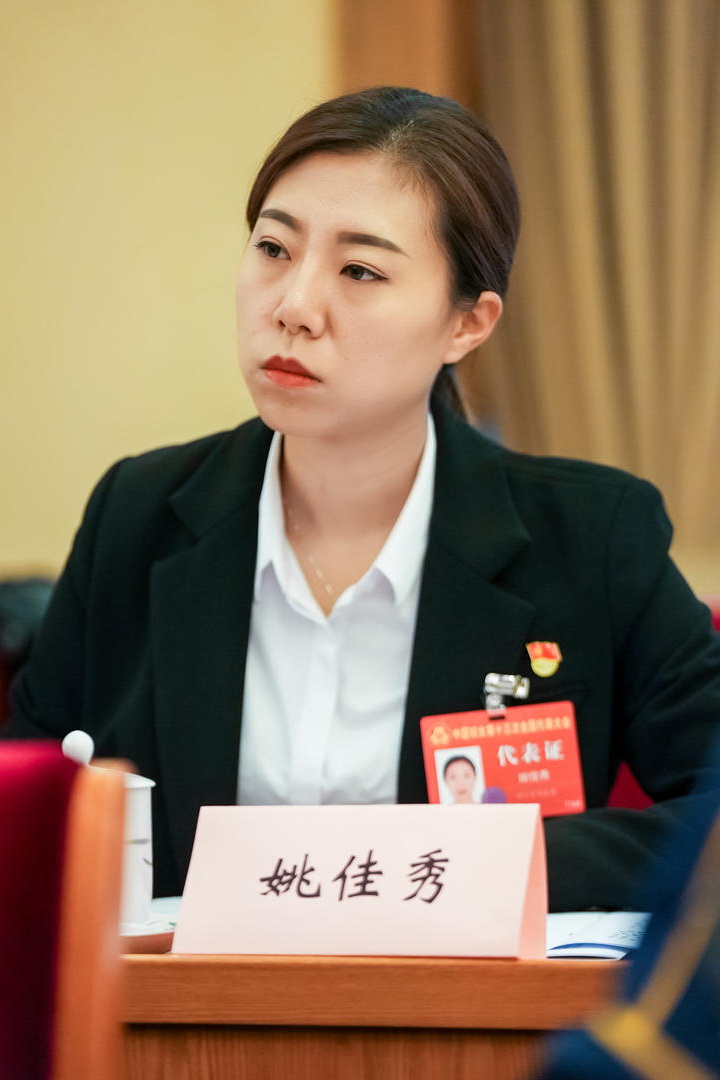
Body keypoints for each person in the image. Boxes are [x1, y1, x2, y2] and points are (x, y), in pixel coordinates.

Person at [5, 87, 720, 910]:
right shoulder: (138, 517)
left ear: (467, 324)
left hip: (460, 996)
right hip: (184, 996)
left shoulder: (591, 538)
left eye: (360, 271)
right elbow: (25, 813)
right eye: (274, 248)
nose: (293, 307)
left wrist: (480, 864)